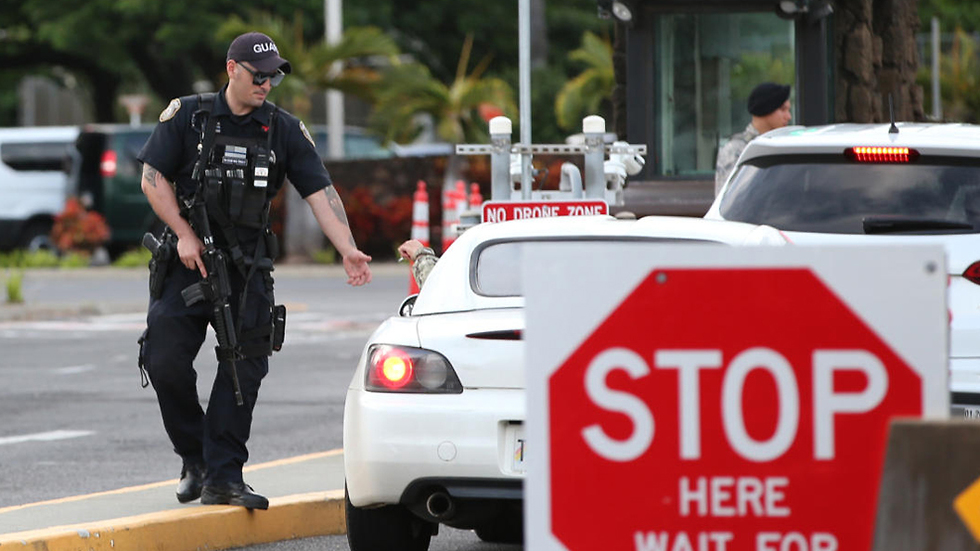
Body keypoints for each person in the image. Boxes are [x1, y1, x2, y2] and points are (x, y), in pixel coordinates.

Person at [137, 31, 372, 510]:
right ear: (232, 70)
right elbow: (152, 177)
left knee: (244, 370)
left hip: (247, 269)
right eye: (258, 75)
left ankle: (224, 476)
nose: (266, 84)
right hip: (189, 261)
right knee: (163, 359)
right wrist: (182, 233)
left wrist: (347, 248)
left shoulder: (282, 129)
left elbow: (320, 193)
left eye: (273, 77)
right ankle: (195, 458)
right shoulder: (190, 116)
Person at [714, 82, 792, 196]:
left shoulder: (787, 145)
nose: (788, 116)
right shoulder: (736, 149)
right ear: (766, 108)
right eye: (782, 109)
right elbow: (728, 198)